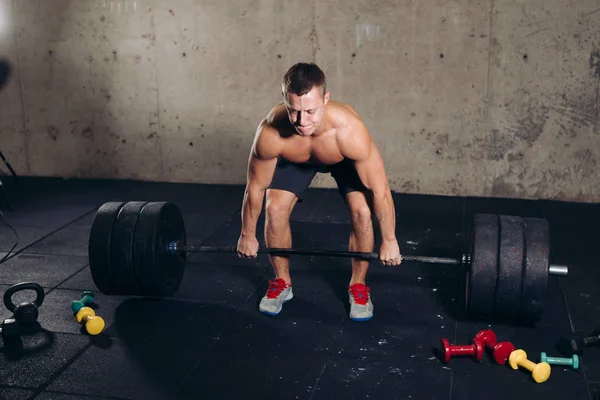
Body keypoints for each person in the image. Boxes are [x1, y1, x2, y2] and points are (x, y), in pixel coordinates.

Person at [236, 62, 401, 321]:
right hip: (295, 157)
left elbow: (379, 190)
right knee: (274, 208)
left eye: (311, 111)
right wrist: (247, 234)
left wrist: (389, 240)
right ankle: (282, 283)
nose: (302, 121)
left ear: (326, 99)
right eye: (294, 111)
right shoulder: (271, 132)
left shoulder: (350, 131)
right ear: (284, 100)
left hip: (341, 157)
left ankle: (358, 285)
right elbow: (255, 187)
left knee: (361, 211)